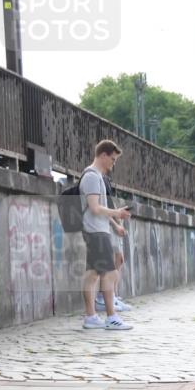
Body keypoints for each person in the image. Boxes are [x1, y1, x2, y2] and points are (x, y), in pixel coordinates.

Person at [79, 140, 133, 330]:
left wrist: (114, 220)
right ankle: (111, 317)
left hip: (96, 229)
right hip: (95, 231)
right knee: (108, 273)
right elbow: (94, 208)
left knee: (93, 274)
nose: (113, 163)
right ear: (103, 155)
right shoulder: (93, 177)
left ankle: (91, 317)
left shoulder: (95, 176)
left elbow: (97, 208)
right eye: (112, 158)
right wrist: (117, 213)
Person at [96, 170, 133, 313]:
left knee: (119, 259)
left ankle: (112, 296)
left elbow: (108, 205)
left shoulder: (104, 178)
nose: (114, 164)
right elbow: (100, 207)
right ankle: (104, 297)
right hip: (105, 224)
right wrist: (115, 224)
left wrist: (118, 216)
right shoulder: (96, 178)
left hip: (111, 222)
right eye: (112, 159)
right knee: (112, 262)